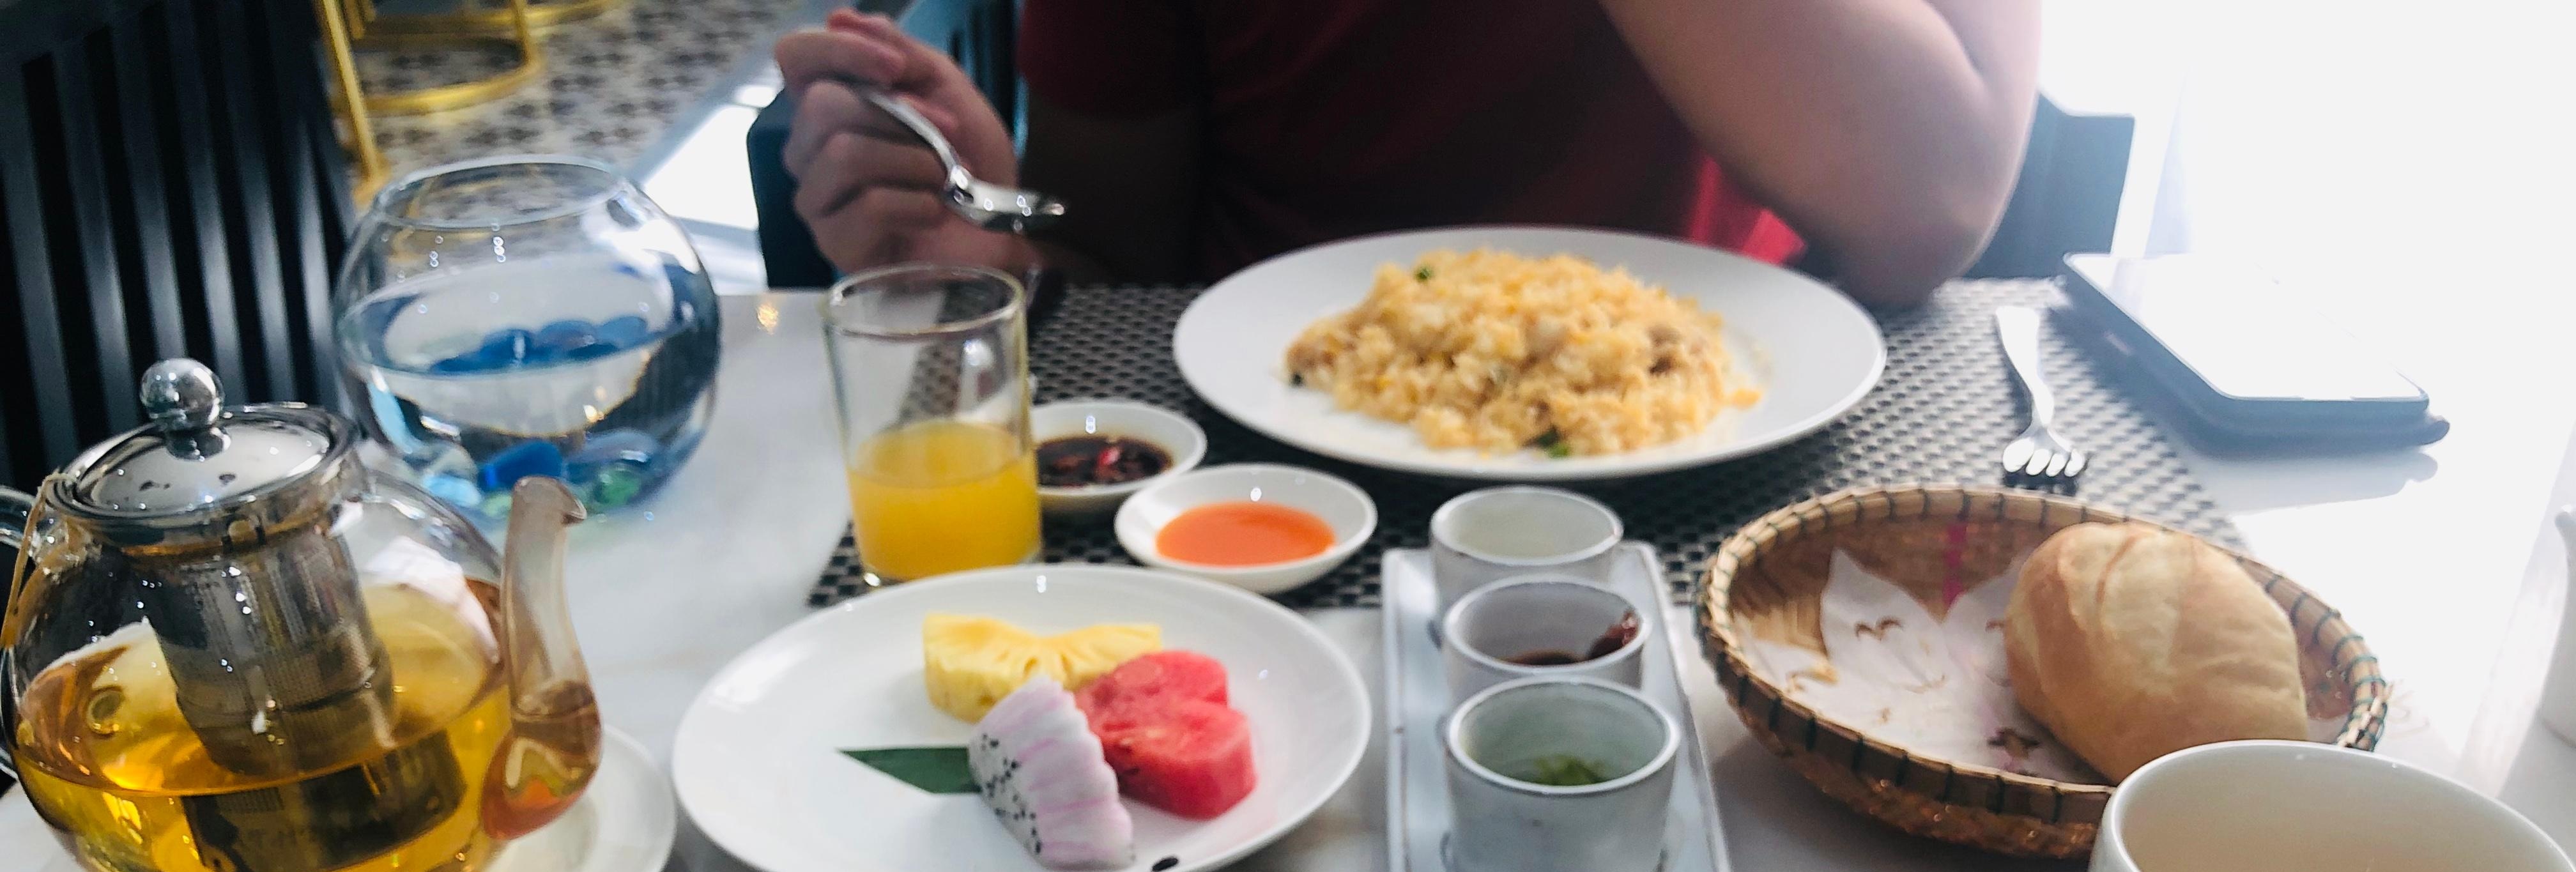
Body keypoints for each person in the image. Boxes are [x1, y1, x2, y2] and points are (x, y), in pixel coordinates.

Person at [775, 1, 2041, 305]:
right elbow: (1111, 252)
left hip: (1750, 451)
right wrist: (991, 235)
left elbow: (1931, 204)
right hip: (1278, 496)